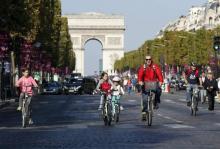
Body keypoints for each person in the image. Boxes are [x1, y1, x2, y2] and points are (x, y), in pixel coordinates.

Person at [138, 55, 163, 121]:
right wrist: (140, 81)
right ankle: (144, 112)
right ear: (145, 60)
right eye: (147, 59)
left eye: (149, 59)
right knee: (145, 99)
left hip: (154, 82)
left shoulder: (155, 66)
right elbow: (140, 75)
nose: (148, 61)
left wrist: (160, 81)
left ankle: (156, 102)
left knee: (159, 90)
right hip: (145, 83)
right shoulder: (143, 67)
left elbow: (159, 74)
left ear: (151, 60)